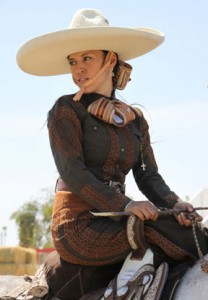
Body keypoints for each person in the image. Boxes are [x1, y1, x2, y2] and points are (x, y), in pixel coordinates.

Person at [16, 8, 208, 300]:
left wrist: (176, 204)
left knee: (182, 225)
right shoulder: (66, 110)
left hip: (116, 216)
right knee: (167, 232)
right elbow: (72, 172)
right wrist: (126, 204)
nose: (78, 68)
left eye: (87, 58)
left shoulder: (136, 120)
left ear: (110, 60)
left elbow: (148, 176)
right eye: (73, 61)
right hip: (78, 226)